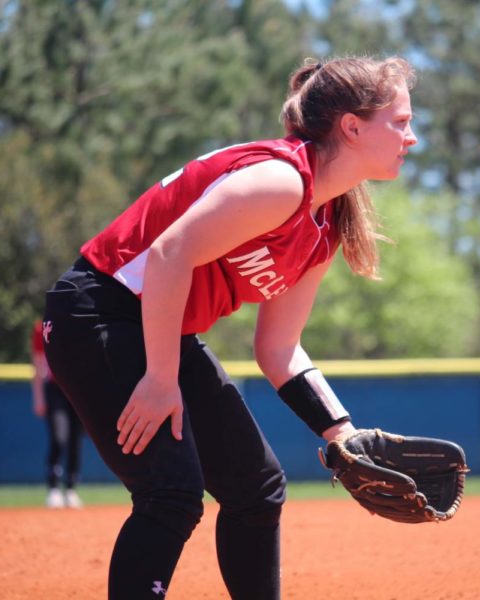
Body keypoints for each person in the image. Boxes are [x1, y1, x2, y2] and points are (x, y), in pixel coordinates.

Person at [42, 56, 417, 599]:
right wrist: (160, 378)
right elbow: (168, 253)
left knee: (256, 489)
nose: (411, 136)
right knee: (170, 494)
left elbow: (279, 349)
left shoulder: (322, 224)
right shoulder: (282, 181)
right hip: (98, 312)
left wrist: (343, 434)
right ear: (353, 127)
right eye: (401, 121)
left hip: (157, 324)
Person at [31, 319, 85, 509]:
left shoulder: (83, 321)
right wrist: (38, 397)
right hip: (55, 388)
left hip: (79, 388)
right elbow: (38, 363)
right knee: (58, 437)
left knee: (75, 440)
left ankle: (71, 488)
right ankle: (53, 488)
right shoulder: (43, 327)